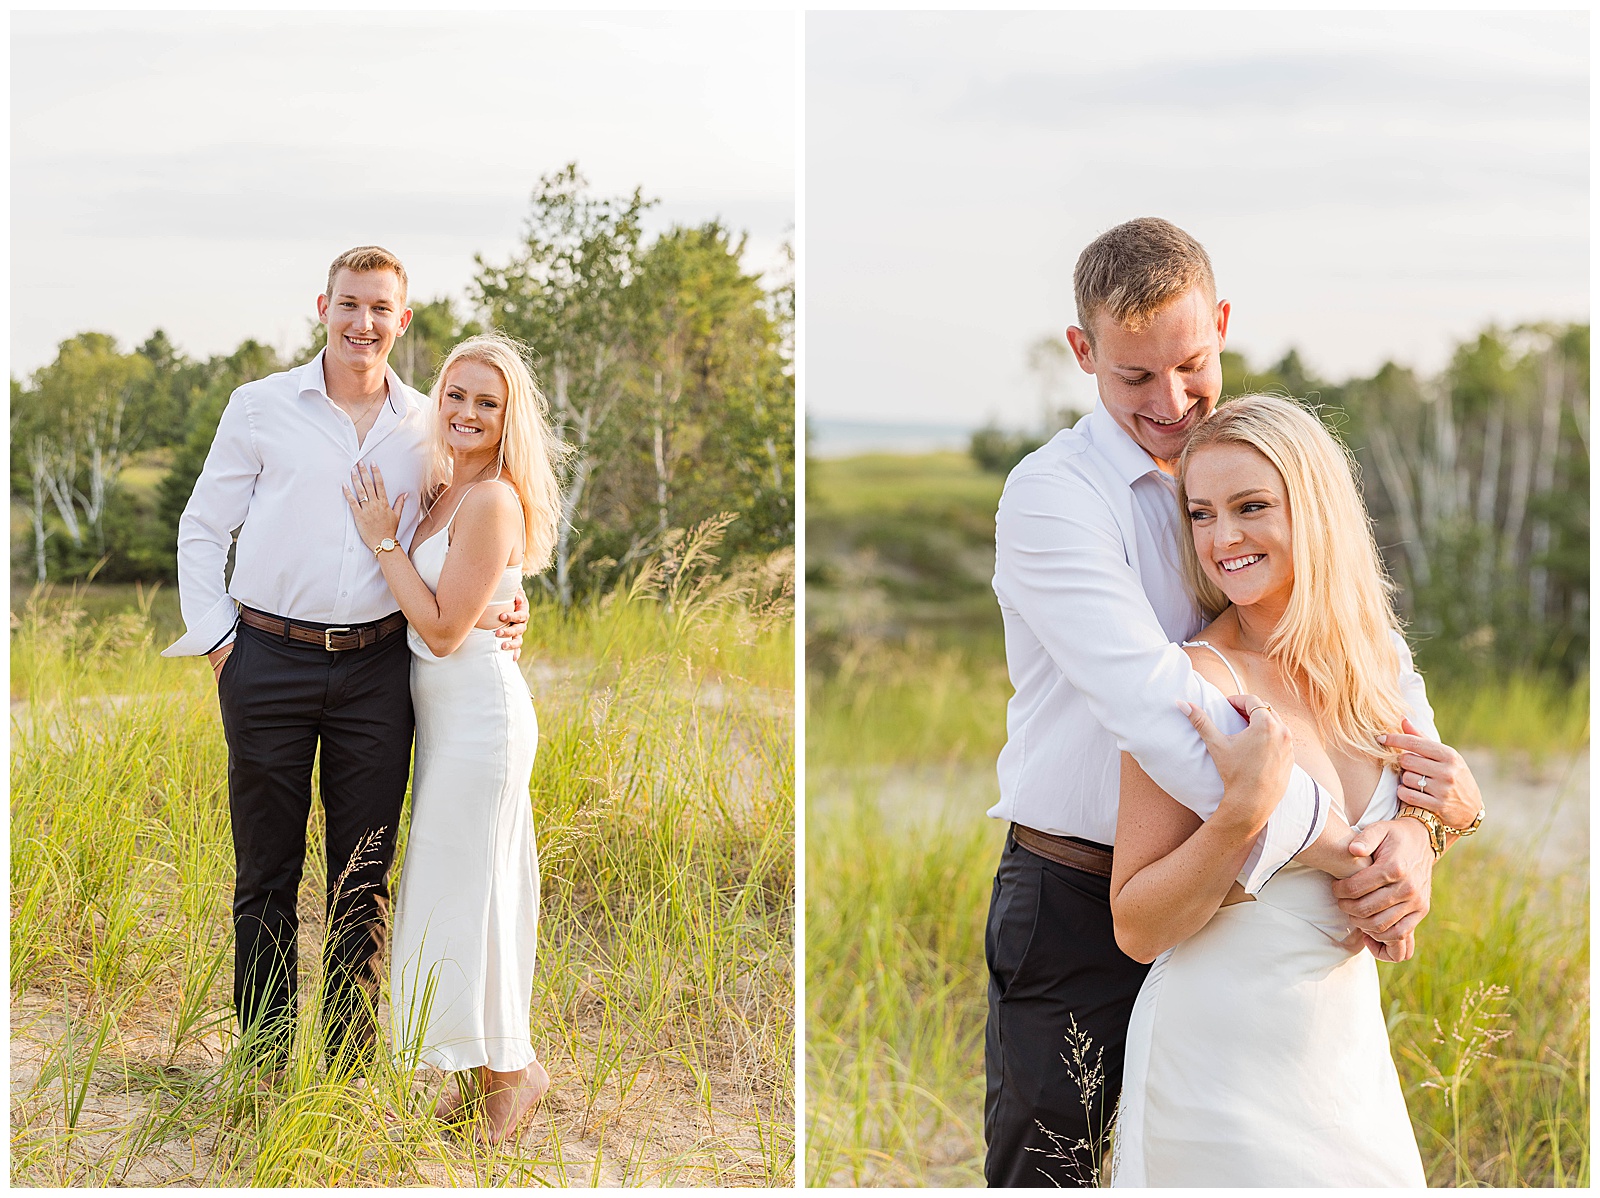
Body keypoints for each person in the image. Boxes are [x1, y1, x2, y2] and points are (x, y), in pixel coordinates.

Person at [984, 218, 1483, 1186]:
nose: (1169, 402)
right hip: (1084, 892)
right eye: (1133, 377)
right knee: (1052, 1170)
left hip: (1261, 947)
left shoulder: (1249, 466)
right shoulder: (1054, 497)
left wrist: (1421, 831)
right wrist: (1347, 854)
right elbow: (1160, 707)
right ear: (1082, 353)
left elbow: (1386, 693)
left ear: (1218, 324)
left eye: (1190, 364)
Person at [163, 247, 525, 1072]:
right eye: (349, 305)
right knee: (266, 874)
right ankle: (260, 1065)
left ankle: (345, 1072)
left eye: (380, 310)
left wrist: (509, 596)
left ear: (403, 321)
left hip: (376, 674)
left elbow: (467, 523)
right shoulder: (258, 407)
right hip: (266, 658)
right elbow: (200, 530)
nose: (364, 323)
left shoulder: (430, 423)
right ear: (322, 308)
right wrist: (220, 643)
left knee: (363, 880)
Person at [1108, 395, 1484, 1185]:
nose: (1222, 539)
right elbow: (1137, 927)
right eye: (1201, 513)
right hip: (1217, 1067)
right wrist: (1238, 819)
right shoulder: (1192, 682)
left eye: (1250, 507)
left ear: (1313, 508)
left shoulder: (1376, 663)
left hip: (1348, 1063)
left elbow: (1427, 817)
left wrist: (1431, 834)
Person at [344, 331, 562, 1145]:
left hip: (480, 722)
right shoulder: (441, 487)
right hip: (443, 724)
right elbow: (469, 601)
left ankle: (514, 1074)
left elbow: (438, 630)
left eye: (488, 402)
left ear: (509, 420)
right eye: (458, 396)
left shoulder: (494, 498)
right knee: (456, 899)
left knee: (477, 896)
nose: (468, 412)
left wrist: (382, 540)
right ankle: (479, 1065)